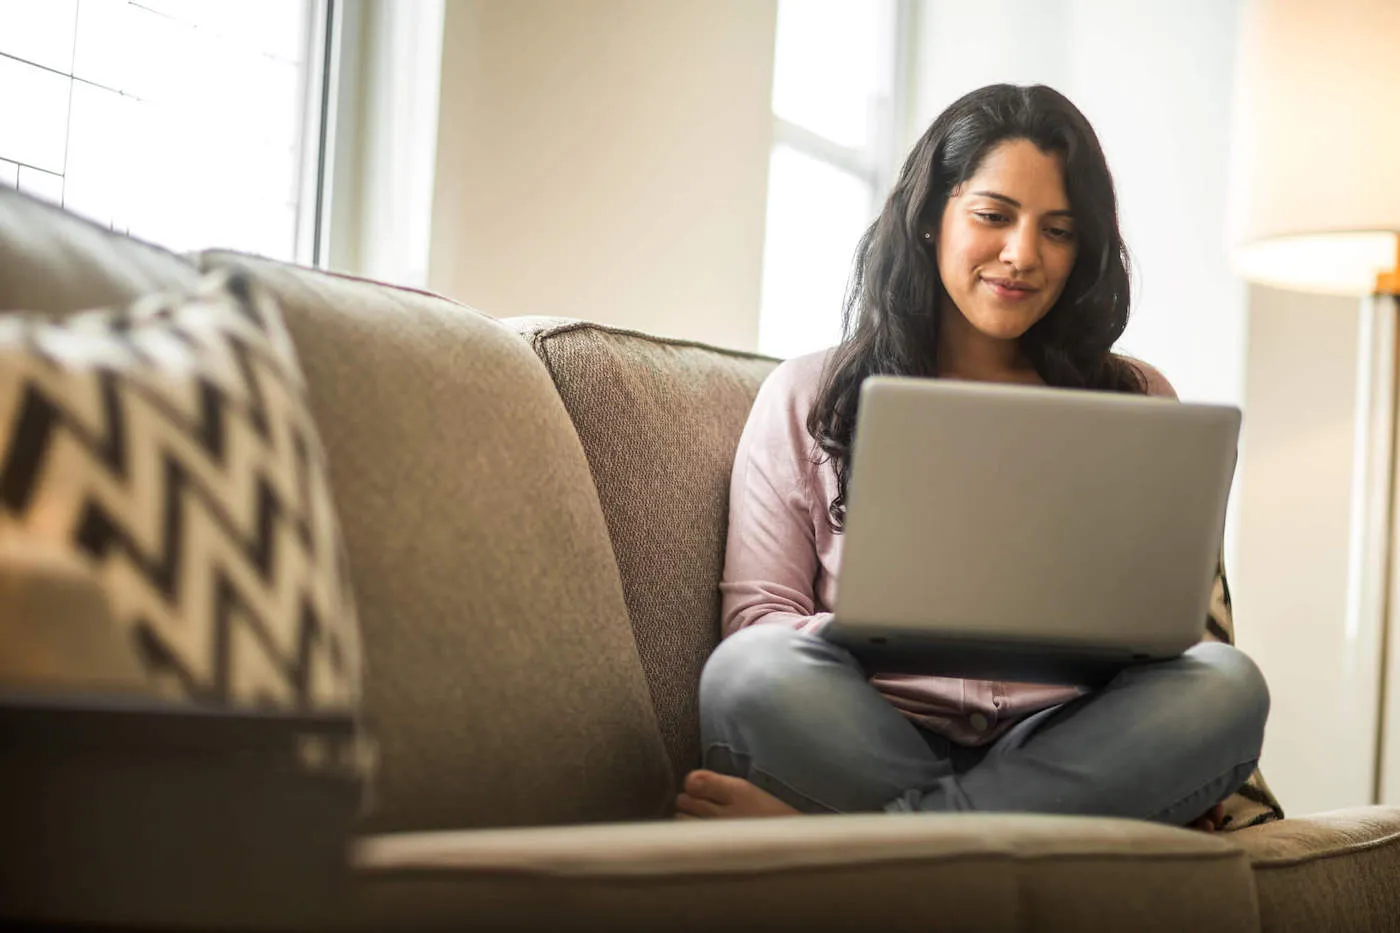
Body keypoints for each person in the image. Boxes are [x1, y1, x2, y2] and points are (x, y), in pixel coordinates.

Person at [674, 84, 1269, 830]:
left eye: (1058, 230)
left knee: (1226, 685)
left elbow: (1171, 637)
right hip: (870, 731)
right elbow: (758, 620)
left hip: (1067, 742)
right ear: (931, 219)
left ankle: (876, 847)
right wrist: (870, 625)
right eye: (993, 216)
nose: (1023, 255)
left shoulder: (1138, 398)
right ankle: (983, 842)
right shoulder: (809, 395)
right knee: (747, 672)